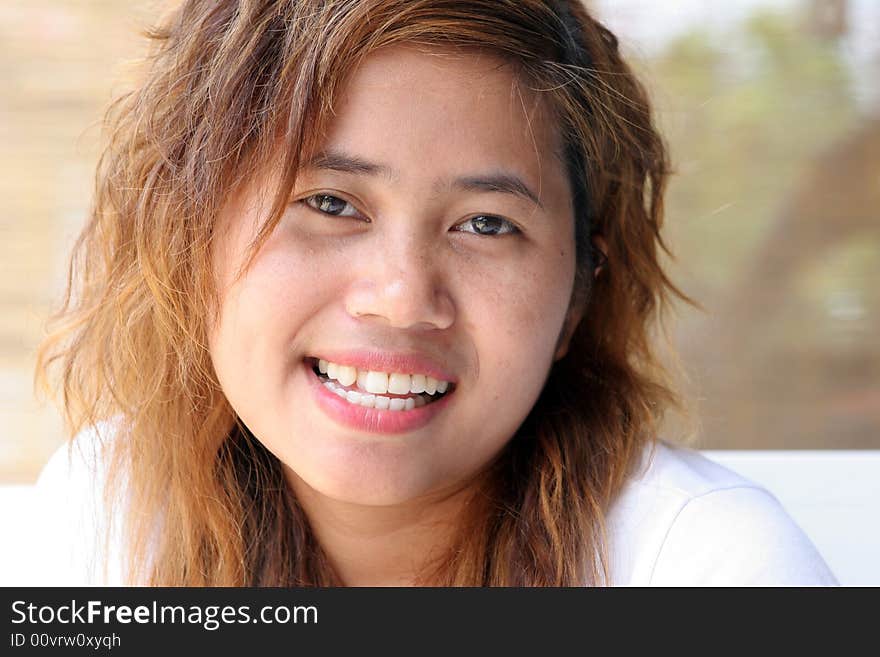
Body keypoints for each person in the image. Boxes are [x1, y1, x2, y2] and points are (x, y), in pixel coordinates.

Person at [33, 0, 837, 586]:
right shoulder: (109, 510)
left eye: (487, 224)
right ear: (189, 236)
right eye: (331, 204)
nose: (403, 297)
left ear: (579, 295)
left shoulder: (714, 564)